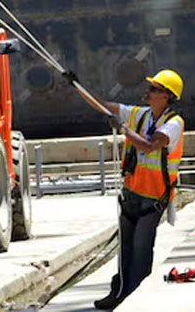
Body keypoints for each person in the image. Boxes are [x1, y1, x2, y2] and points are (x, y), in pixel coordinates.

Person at [69, 67, 185, 310]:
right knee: (126, 248)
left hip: (154, 198)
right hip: (132, 194)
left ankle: (136, 299)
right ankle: (119, 292)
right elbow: (104, 106)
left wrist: (123, 129)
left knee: (141, 249)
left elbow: (149, 146)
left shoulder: (173, 124)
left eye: (153, 89)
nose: (148, 91)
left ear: (166, 95)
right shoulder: (140, 115)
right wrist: (77, 85)